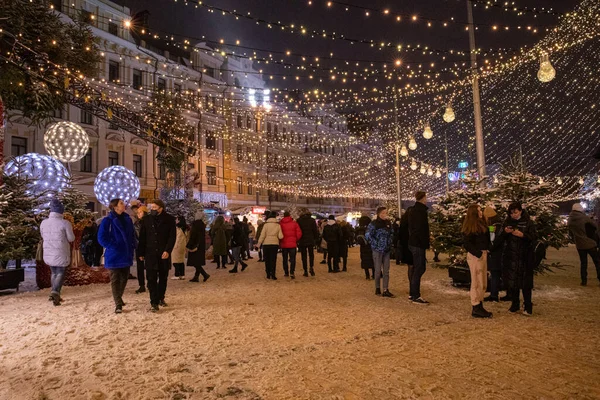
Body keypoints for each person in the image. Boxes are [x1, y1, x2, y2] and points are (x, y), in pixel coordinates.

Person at [98, 198, 137, 314]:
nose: (123, 204)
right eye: (121, 203)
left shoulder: (128, 219)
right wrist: (112, 245)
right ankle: (118, 303)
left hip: (126, 253)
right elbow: (101, 237)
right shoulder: (107, 221)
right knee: (115, 279)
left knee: (124, 278)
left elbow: (132, 234)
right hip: (114, 254)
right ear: (115, 207)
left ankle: (118, 297)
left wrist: (134, 244)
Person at [137, 199, 176, 312]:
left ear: (161, 208)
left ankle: (160, 297)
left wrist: (168, 250)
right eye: (151, 207)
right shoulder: (147, 219)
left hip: (163, 253)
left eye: (155, 207)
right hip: (150, 254)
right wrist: (141, 252)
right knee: (151, 278)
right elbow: (143, 237)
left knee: (163, 278)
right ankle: (153, 302)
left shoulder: (169, 219)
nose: (152, 209)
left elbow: (171, 237)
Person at [500, 202, 537, 316]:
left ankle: (528, 305)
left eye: (515, 212)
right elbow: (501, 237)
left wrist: (523, 235)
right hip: (511, 256)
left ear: (520, 211)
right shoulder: (507, 222)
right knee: (513, 282)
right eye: (511, 213)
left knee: (526, 283)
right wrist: (505, 233)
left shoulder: (528, 222)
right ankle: (515, 304)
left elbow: (534, 238)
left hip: (524, 256)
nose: (513, 215)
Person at [40, 199, 75, 306]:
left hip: (48, 250)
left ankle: (54, 293)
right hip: (61, 251)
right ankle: (55, 293)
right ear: (61, 211)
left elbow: (42, 235)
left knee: (54, 272)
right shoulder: (65, 223)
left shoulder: (44, 222)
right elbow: (71, 238)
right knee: (60, 272)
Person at [462, 204, 493, 318]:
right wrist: (478, 253)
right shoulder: (470, 226)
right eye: (479, 210)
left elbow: (487, 238)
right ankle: (476, 305)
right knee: (476, 281)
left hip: (483, 253)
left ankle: (479, 303)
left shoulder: (482, 223)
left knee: (482, 281)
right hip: (476, 256)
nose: (481, 212)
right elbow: (467, 243)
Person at [568, 203, 600, 286]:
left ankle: (584, 281)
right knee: (597, 262)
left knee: (583, 263)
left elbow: (570, 232)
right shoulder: (584, 217)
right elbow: (595, 226)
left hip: (579, 245)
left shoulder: (570, 219)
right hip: (590, 243)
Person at [366, 207, 395, 297]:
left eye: (385, 213)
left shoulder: (388, 223)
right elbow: (368, 235)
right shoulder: (374, 224)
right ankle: (377, 288)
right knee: (378, 270)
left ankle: (385, 289)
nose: (384, 214)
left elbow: (392, 233)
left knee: (386, 271)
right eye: (382, 213)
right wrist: (375, 244)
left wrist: (390, 242)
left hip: (386, 250)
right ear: (378, 214)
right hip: (377, 250)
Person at [407, 191, 430, 304]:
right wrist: (424, 241)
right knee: (419, 268)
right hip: (418, 244)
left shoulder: (413, 210)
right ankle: (415, 294)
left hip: (414, 242)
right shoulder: (420, 211)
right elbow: (420, 229)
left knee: (418, 268)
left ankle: (413, 292)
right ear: (423, 198)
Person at [483, 207, 504, 302]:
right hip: (499, 253)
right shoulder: (500, 224)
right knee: (496, 274)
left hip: (496, 254)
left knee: (495, 273)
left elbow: (493, 240)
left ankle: (494, 295)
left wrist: (489, 249)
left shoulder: (493, 226)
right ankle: (495, 294)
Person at [257, 211, 283, 280]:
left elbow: (262, 235)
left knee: (267, 260)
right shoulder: (278, 225)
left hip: (266, 244)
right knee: (273, 260)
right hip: (274, 244)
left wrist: (258, 244)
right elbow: (280, 236)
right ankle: (273, 274)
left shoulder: (266, 225)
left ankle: (268, 274)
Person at [187, 210, 209, 283]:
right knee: (197, 262)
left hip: (195, 245)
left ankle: (204, 274)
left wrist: (189, 245)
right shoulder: (202, 224)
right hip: (200, 245)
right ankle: (196, 277)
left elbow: (193, 236)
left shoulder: (196, 224)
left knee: (195, 262)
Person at [279, 211, 302, 279]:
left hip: (284, 244)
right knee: (292, 259)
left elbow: (279, 234)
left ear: (284, 216)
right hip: (292, 244)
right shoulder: (294, 223)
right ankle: (292, 272)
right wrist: (295, 240)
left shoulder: (281, 224)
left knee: (285, 259)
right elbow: (299, 233)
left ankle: (286, 272)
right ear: (289, 216)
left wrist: (281, 241)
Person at [297, 209, 319, 277]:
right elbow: (315, 230)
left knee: (304, 256)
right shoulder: (312, 220)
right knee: (311, 254)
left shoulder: (299, 220)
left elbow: (298, 230)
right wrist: (315, 238)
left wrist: (298, 239)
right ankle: (311, 267)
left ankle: (305, 270)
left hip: (302, 240)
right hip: (310, 239)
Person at [134, 206, 148, 294]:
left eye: (140, 212)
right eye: (138, 212)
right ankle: (141, 285)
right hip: (139, 246)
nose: (138, 214)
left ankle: (150, 283)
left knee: (149, 267)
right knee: (140, 267)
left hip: (147, 247)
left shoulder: (148, 222)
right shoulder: (136, 223)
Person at [398, 208, 414, 283]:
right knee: (412, 266)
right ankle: (413, 284)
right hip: (410, 246)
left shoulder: (403, 222)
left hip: (406, 246)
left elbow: (400, 235)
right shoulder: (410, 223)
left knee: (411, 266)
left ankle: (412, 284)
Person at [171, 215, 189, 280]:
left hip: (177, 246)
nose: (176, 220)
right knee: (181, 261)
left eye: (177, 219)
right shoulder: (185, 228)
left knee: (175, 261)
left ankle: (177, 275)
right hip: (183, 246)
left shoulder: (178, 228)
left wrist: (174, 246)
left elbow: (177, 238)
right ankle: (182, 274)